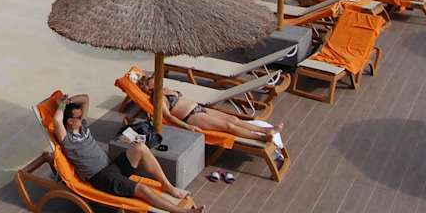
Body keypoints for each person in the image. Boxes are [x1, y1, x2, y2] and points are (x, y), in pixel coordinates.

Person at [53, 94, 200, 213]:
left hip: (112, 166)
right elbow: (57, 120)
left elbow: (85, 98)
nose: (82, 118)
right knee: (142, 189)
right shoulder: (67, 139)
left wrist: (68, 100)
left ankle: (168, 186)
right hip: (101, 177)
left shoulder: (83, 126)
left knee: (140, 147)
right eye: (78, 117)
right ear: (70, 121)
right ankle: (182, 212)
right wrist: (61, 106)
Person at [137, 78, 282, 143]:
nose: (154, 78)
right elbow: (168, 117)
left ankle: (265, 130)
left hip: (200, 108)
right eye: (151, 79)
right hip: (192, 117)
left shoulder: (165, 89)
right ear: (149, 87)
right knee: (228, 126)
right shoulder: (158, 98)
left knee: (234, 119)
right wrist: (187, 126)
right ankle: (261, 138)